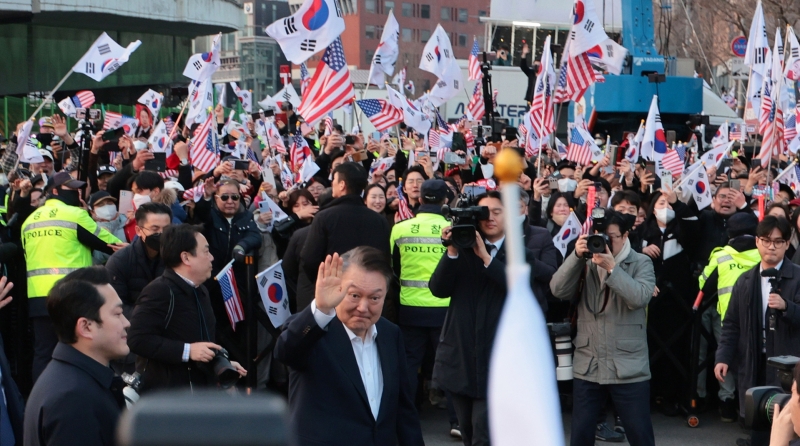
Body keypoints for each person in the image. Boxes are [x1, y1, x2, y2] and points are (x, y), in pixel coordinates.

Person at [274, 248, 424, 446]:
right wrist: (321, 309)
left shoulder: (390, 334)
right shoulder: (313, 332)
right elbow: (286, 351)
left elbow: (404, 410)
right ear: (337, 289)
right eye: (354, 295)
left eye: (374, 298)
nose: (363, 307)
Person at [429, 191, 546, 446]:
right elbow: (438, 289)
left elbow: (518, 288)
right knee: (469, 432)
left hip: (498, 361)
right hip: (460, 358)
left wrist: (486, 258)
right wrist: (451, 250)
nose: (490, 218)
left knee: (485, 434)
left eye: (497, 211)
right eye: (484, 212)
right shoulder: (461, 250)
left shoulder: (521, 254)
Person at [550, 209, 656, 446]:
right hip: (589, 362)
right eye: (598, 237)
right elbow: (557, 290)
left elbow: (639, 298)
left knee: (640, 435)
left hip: (628, 365)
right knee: (581, 435)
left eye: (611, 238)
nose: (603, 243)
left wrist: (612, 269)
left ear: (626, 235)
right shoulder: (585, 263)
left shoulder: (641, 262)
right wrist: (576, 257)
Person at [22, 172, 124, 382]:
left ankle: (39, 402)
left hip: (38, 297)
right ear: (55, 191)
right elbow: (114, 245)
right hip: (73, 296)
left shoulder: (29, 220)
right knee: (79, 351)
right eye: (72, 189)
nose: (78, 192)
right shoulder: (74, 215)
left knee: (44, 353)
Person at [127, 224, 246, 393]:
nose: (211, 258)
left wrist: (220, 364)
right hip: (169, 400)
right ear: (186, 257)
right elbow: (136, 339)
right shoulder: (159, 291)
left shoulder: (200, 289)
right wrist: (187, 351)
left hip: (200, 395)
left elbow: (202, 343)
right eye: (206, 251)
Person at [715, 216, 800, 446]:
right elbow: (731, 323)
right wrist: (722, 357)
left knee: (788, 427)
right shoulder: (745, 280)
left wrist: (787, 307)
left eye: (778, 241)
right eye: (766, 240)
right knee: (759, 424)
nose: (771, 246)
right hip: (754, 361)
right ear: (757, 242)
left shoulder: (797, 276)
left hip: (788, 367)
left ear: (786, 243)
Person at [24, 267, 130, 446]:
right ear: (86, 327)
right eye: (118, 314)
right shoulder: (72, 400)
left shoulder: (72, 382)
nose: (126, 322)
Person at [389, 179, 459, 438]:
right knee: (450, 365)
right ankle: (457, 421)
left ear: (419, 199)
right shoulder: (453, 227)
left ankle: (404, 417)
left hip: (410, 307)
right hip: (446, 308)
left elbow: (393, 269)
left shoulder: (400, 228)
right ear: (444, 201)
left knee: (408, 366)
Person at [696, 213, 760, 422]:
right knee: (754, 366)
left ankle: (727, 405)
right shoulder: (763, 253)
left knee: (727, 363)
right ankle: (756, 412)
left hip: (729, 322)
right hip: (759, 323)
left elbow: (704, 284)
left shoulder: (721, 255)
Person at [301, 163, 391, 283]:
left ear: (342, 184)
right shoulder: (380, 221)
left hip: (336, 288)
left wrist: (325, 283)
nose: (332, 183)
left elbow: (309, 259)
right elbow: (385, 260)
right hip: (370, 288)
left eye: (334, 180)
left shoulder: (324, 217)